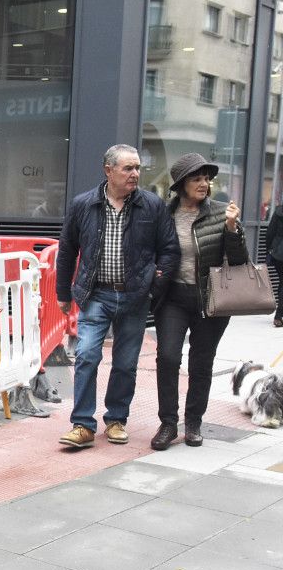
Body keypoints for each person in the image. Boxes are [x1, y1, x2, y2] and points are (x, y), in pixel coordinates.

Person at [56, 144, 180, 449]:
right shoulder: (83, 204)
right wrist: (62, 293)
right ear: (108, 170)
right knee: (86, 355)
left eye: (138, 168)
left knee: (125, 364)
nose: (135, 174)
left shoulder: (152, 206)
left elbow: (169, 250)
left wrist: (154, 284)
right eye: (128, 168)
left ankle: (115, 419)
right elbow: (68, 249)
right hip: (96, 294)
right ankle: (83, 425)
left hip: (135, 297)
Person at [150, 154, 249, 449]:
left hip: (211, 301)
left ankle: (193, 422)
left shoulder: (221, 212)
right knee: (167, 358)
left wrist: (232, 228)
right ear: (181, 184)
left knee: (201, 363)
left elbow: (240, 261)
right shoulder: (163, 215)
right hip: (173, 299)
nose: (204, 184)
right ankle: (168, 423)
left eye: (207, 178)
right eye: (197, 178)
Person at [267, 204, 283, 328]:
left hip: (278, 253)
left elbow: (270, 232)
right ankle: (279, 316)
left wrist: (269, 249)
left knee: (281, 283)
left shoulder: (279, 210)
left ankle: (279, 314)